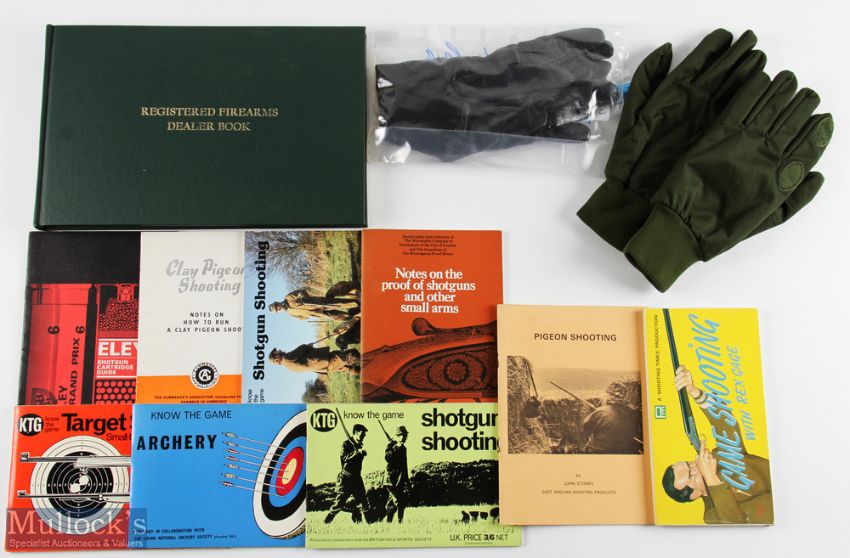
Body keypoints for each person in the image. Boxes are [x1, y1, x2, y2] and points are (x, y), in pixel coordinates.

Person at [661, 365, 773, 524]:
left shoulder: (719, 458)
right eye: (691, 474)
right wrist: (710, 477)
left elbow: (726, 423)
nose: (695, 464)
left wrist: (693, 391)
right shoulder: (711, 516)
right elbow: (736, 524)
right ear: (694, 495)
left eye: (689, 464)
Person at [580, 381, 642, 454]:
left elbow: (585, 427)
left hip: (599, 452)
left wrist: (585, 411)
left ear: (611, 396)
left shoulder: (602, 412)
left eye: (607, 394)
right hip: (622, 451)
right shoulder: (632, 412)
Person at [324, 424, 369, 524]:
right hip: (346, 478)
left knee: (363, 502)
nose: (363, 436)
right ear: (356, 433)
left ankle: (370, 525)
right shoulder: (346, 444)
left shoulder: (360, 445)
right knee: (339, 504)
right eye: (362, 434)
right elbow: (344, 458)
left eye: (364, 435)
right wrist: (357, 453)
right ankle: (326, 523)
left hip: (357, 479)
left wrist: (362, 452)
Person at [269, 281, 360, 322]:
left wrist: (307, 299)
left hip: (319, 303)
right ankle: (357, 315)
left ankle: (358, 302)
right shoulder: (290, 313)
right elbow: (301, 318)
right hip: (320, 313)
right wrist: (308, 315)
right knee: (339, 317)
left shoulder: (288, 297)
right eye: (277, 309)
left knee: (339, 304)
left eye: (276, 305)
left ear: (277, 302)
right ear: (278, 311)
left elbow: (301, 292)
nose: (278, 307)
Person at [268, 344, 359, 374]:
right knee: (350, 355)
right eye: (276, 352)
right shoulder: (287, 358)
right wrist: (308, 345)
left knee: (348, 368)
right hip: (325, 360)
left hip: (324, 368)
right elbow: (302, 349)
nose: (279, 350)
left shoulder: (290, 368)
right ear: (276, 359)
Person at [383, 425, 410, 522]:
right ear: (397, 436)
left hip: (399, 480)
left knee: (391, 504)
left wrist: (406, 480)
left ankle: (388, 524)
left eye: (404, 436)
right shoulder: (390, 446)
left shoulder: (404, 448)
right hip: (390, 480)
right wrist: (396, 447)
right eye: (402, 436)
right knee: (400, 501)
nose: (404, 438)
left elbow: (404, 465)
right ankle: (400, 523)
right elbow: (387, 458)